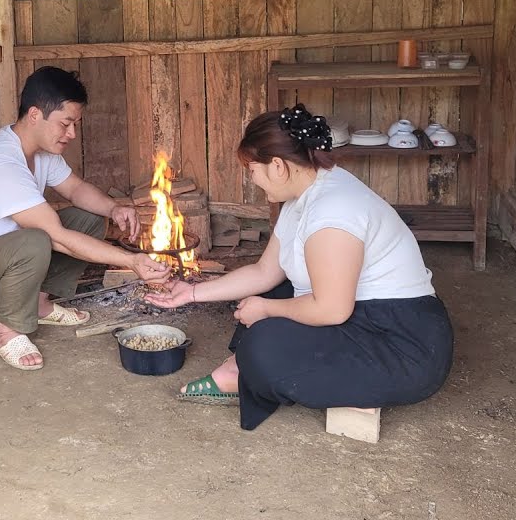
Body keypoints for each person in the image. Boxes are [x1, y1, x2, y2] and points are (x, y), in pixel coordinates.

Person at [146, 104, 454, 430]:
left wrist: (266, 310)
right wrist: (191, 292)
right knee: (274, 289)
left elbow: (332, 309)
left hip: (402, 344)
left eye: (252, 170)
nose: (253, 179)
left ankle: (249, 366)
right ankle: (242, 366)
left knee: (263, 346)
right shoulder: (305, 194)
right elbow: (265, 272)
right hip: (363, 313)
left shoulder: (332, 212)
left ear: (278, 166)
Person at [0, 66, 171, 371]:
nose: (72, 134)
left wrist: (113, 209)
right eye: (65, 124)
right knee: (36, 239)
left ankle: (39, 303)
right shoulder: (1, 163)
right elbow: (58, 238)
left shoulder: (40, 152)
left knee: (88, 219)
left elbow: (76, 189)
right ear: (35, 114)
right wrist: (132, 261)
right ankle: (6, 332)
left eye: (75, 125)